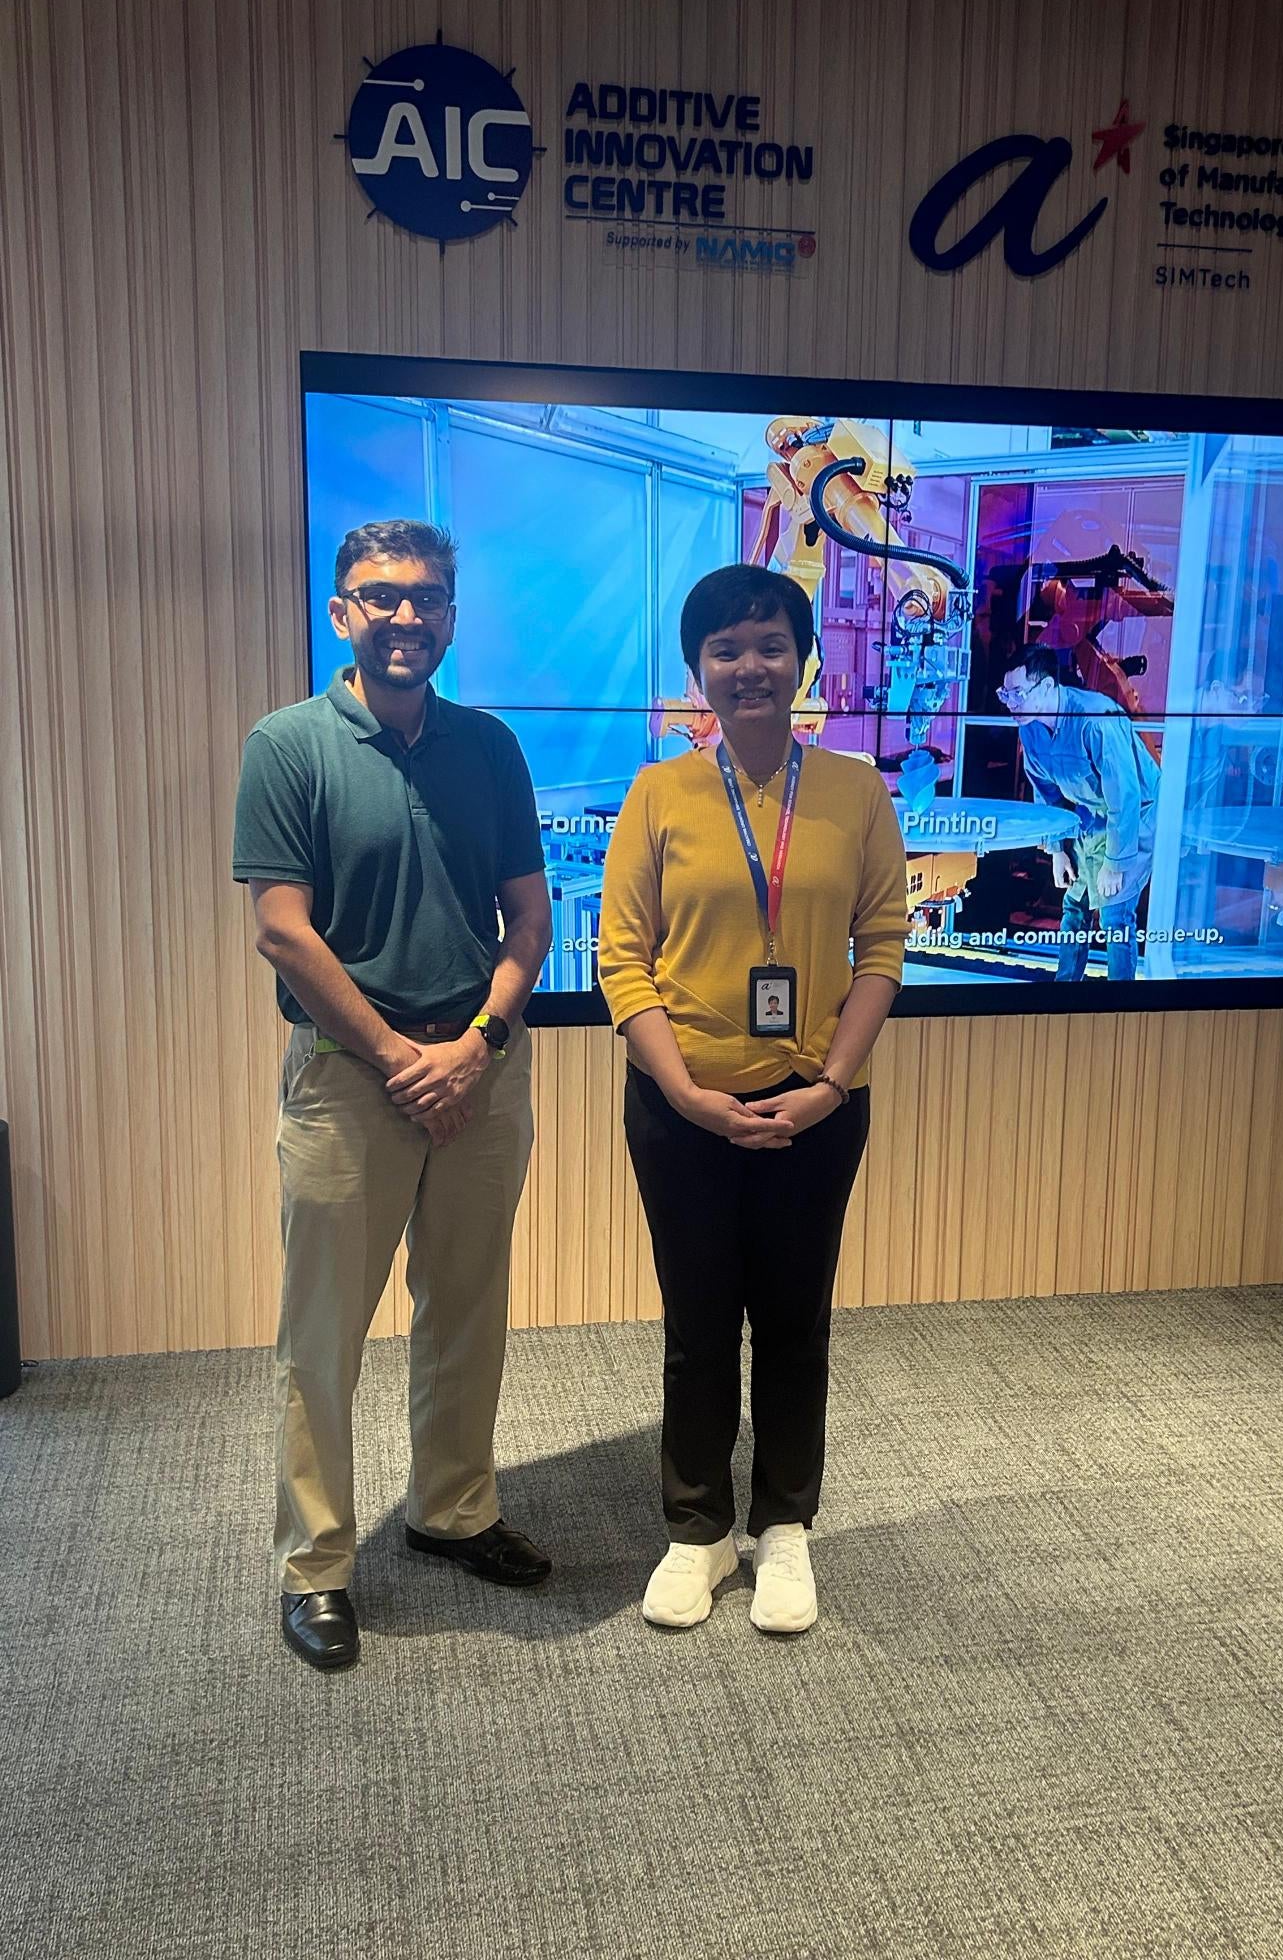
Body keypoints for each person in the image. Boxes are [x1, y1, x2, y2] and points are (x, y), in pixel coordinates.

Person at [232, 518, 554, 1672]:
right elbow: (282, 930)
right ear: (342, 613)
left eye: (426, 598)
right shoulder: (288, 745)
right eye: (381, 596)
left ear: (452, 617)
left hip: (480, 1074)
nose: (405, 616)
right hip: (348, 1085)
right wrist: (398, 1058)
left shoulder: (491, 749)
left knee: (466, 1309)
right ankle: (315, 1564)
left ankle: (452, 1511)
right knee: (321, 1336)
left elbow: (529, 918)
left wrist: (475, 1044)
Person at [598, 563, 907, 1636]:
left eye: (770, 644)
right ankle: (696, 1529)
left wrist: (827, 1087)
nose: (750, 666)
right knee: (696, 1319)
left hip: (814, 1108)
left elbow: (883, 950)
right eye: (725, 650)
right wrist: (682, 1090)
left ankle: (784, 1527)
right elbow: (622, 961)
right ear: (698, 673)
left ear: (804, 657)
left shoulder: (858, 791)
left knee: (793, 1318)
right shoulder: (657, 794)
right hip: (680, 1107)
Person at [997, 643, 1159, 982]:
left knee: (1115, 913)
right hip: (1090, 818)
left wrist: (1116, 862)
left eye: (1017, 694)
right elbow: (1047, 793)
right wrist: (1057, 850)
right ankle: (1066, 987)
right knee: (1074, 905)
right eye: (1005, 694)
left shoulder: (1095, 720)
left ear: (1046, 687)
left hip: (1136, 816)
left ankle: (1121, 1002)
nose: (1011, 703)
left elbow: (1125, 796)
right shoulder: (1029, 727)